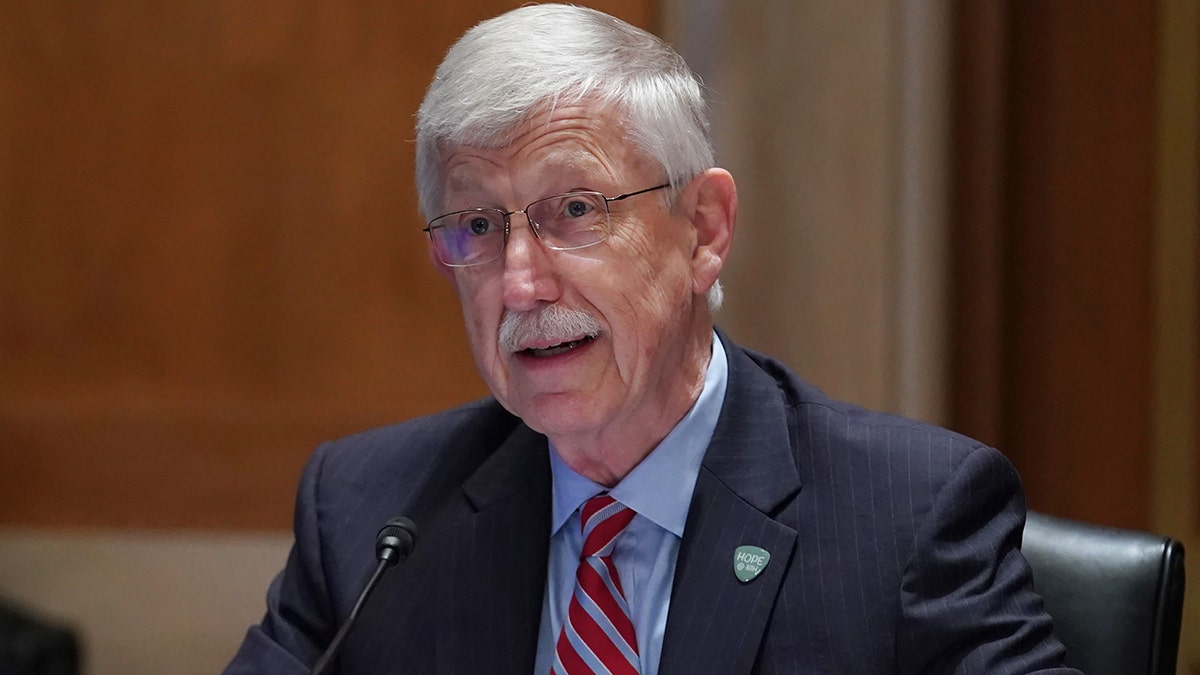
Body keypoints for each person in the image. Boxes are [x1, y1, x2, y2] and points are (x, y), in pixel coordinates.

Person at [225, 5, 1080, 674]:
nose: (521, 281)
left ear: (704, 230)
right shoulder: (372, 516)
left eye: (575, 211)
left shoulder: (905, 518)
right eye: (479, 225)